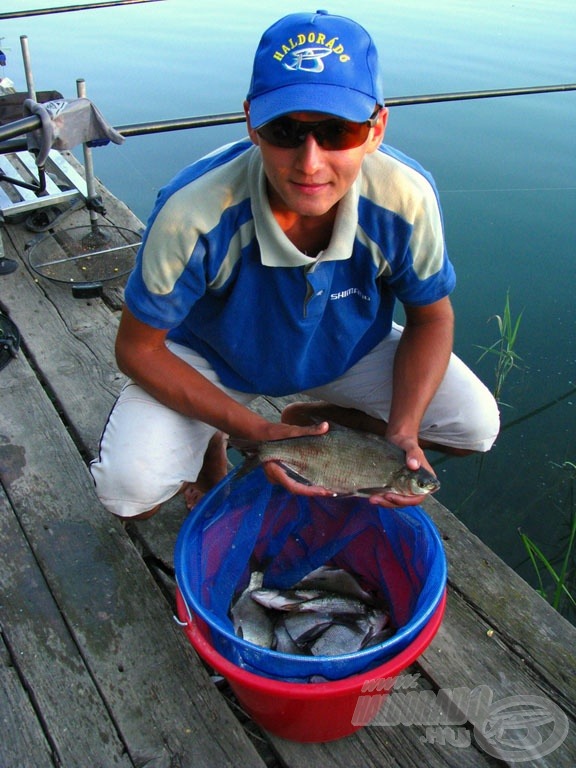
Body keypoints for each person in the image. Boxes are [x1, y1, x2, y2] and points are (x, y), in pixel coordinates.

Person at [90, 10, 499, 519]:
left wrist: (402, 431)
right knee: (129, 494)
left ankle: (315, 420)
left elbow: (432, 316)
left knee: (474, 428)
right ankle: (215, 433)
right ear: (251, 123)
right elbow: (137, 347)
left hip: (345, 352)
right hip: (214, 359)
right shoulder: (191, 212)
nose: (309, 162)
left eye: (337, 131)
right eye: (284, 130)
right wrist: (252, 429)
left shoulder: (404, 198)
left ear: (376, 129)